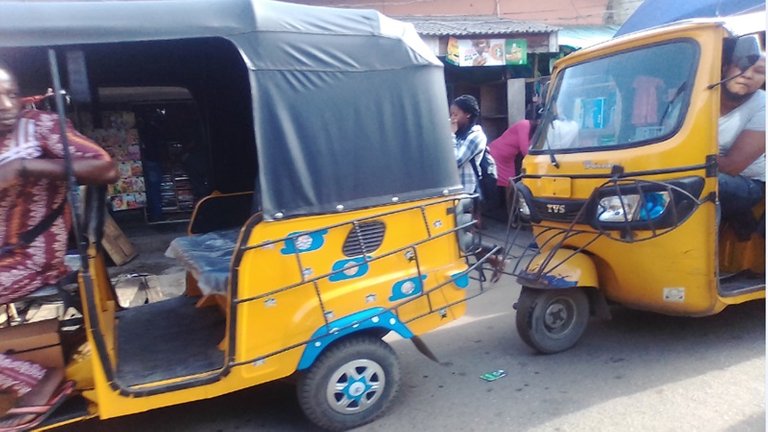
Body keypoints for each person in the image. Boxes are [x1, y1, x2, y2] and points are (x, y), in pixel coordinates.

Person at [0, 63, 118, 305]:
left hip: (29, 255)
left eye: (12, 94)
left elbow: (106, 168)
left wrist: (23, 166)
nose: (7, 106)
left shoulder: (39, 126)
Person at [716, 51, 765, 234]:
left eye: (759, 71)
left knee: (704, 184)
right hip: (697, 168)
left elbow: (732, 167)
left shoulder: (763, 105)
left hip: (747, 183)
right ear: (725, 67)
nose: (748, 74)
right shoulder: (701, 94)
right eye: (742, 65)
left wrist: (681, 155)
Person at [450, 94, 487, 195]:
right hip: (451, 192)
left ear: (468, 114)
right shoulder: (458, 134)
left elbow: (456, 161)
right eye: (451, 115)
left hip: (466, 193)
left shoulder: (476, 136)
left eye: (455, 115)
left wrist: (451, 135)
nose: (452, 119)